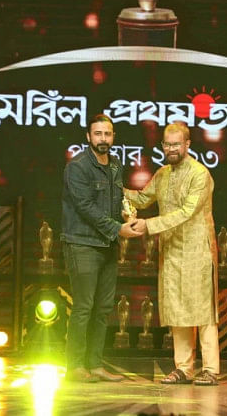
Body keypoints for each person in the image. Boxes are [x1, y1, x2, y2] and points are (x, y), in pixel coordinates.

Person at [125, 122, 220, 386]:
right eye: (167, 144)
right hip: (171, 251)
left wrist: (149, 225)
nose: (171, 149)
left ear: (187, 144)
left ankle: (210, 368)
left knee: (203, 310)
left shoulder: (200, 174)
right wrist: (114, 190)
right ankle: (184, 368)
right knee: (178, 309)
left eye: (176, 144)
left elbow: (187, 212)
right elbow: (142, 199)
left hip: (197, 251)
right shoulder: (162, 174)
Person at [61, 113, 143, 383]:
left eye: (107, 134)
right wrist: (117, 229)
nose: (103, 139)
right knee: (84, 306)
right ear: (88, 136)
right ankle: (74, 366)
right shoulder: (78, 167)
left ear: (113, 136)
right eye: (98, 134)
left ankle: (95, 364)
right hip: (82, 242)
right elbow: (85, 207)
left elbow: (115, 200)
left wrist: (126, 214)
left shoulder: (116, 165)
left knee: (104, 308)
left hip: (107, 244)